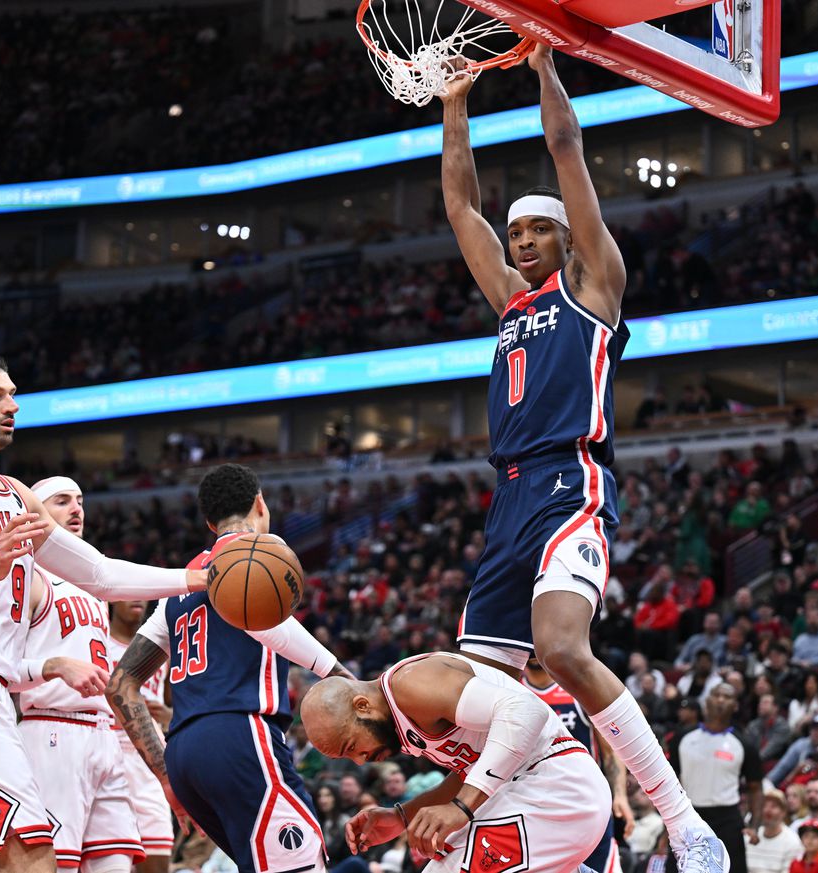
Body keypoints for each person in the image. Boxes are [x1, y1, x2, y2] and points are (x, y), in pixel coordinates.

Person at [437, 43, 725, 872]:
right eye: (517, 230)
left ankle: (681, 819)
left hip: (572, 479)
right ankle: (525, 811)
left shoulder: (593, 287)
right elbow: (462, 207)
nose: (521, 240)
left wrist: (544, 69)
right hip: (510, 495)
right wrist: (456, 103)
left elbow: (568, 150)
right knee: (471, 694)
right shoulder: (507, 301)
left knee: (562, 646)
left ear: (567, 239)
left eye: (536, 230)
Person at [0, 351, 206, 873]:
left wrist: (200, 578)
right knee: (32, 857)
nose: (12, 407)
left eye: (13, 395)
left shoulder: (17, 495)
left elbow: (100, 574)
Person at [108, 464, 353, 873]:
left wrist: (166, 776)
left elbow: (120, 685)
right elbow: (281, 629)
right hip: (240, 736)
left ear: (208, 521)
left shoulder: (179, 586)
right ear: (260, 503)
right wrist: (344, 677)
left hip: (184, 756)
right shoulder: (263, 554)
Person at [300, 651, 612, 871]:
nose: (359, 761)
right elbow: (473, 771)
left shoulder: (412, 684)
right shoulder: (398, 717)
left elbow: (526, 712)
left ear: (363, 705)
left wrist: (460, 808)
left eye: (352, 746)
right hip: (529, 793)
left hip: (555, 786)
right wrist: (402, 816)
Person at [16, 476, 162, 872]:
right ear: (36, 511)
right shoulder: (25, 576)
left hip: (105, 735)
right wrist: (53, 666)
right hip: (51, 730)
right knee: (56, 864)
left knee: (116, 863)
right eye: (62, 501)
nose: (77, 508)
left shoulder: (93, 584)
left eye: (80, 500)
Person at [524, 657, 632, 873]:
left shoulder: (577, 691)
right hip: (532, 806)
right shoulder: (512, 690)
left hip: (584, 803)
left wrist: (620, 795)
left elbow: (611, 752)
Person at [105, 597, 175, 871]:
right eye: (128, 592)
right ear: (110, 600)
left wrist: (170, 716)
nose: (137, 598)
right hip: (108, 750)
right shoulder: (97, 640)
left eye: (142, 594)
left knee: (158, 858)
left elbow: (174, 703)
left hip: (148, 761)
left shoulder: (160, 651)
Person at [674, 683, 763, 873]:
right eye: (717, 695)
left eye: (727, 696)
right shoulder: (683, 738)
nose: (721, 700)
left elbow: (755, 788)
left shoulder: (744, 744)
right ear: (707, 701)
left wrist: (755, 825)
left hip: (727, 819)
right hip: (688, 816)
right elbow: (670, 780)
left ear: (736, 706)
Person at [747, 790, 803, 873]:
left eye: (773, 806)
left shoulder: (792, 841)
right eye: (764, 806)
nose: (767, 810)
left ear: (783, 812)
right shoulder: (750, 837)